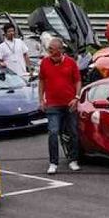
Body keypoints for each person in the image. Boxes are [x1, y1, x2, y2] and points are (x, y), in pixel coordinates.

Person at [37, 37, 80, 175]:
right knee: (53, 132)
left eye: (52, 49)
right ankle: (53, 162)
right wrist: (41, 100)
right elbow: (41, 81)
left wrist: (76, 97)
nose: (50, 51)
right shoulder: (44, 63)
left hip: (69, 103)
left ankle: (73, 160)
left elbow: (78, 81)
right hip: (52, 104)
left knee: (73, 131)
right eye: (49, 49)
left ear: (60, 50)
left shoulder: (71, 63)